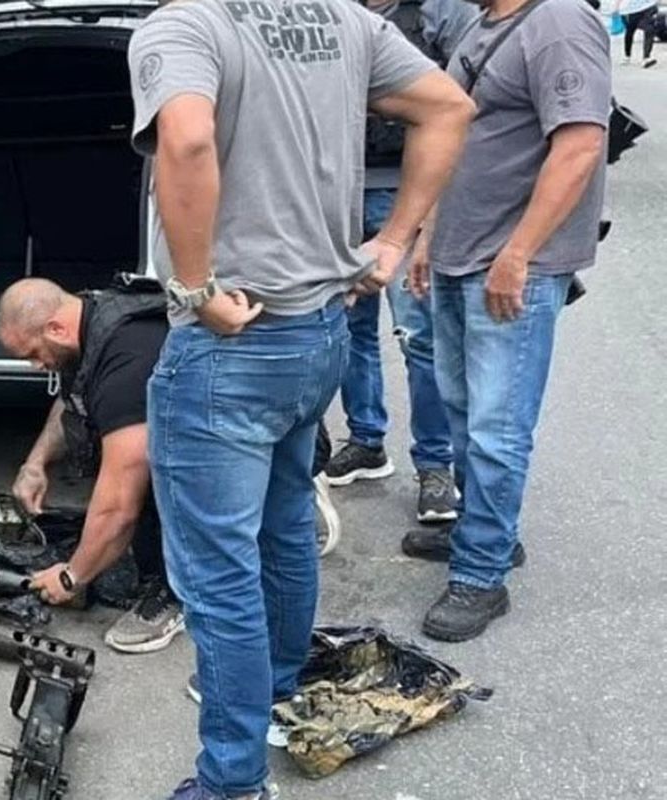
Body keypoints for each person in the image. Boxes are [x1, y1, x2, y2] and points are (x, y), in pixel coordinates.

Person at [128, 0, 474, 795]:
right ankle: (277, 685)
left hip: (233, 343)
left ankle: (232, 780)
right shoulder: (343, 19)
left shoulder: (183, 26)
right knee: (283, 523)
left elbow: (187, 139)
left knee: (217, 576)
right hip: (318, 331)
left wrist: (195, 287)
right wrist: (394, 240)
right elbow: (449, 106)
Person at [403, 0, 611, 643]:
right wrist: (427, 234)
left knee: (497, 428)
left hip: (511, 264)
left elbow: (579, 145)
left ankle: (482, 572)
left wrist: (519, 254)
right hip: (460, 253)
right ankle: (485, 531)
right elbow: (457, 140)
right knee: (463, 410)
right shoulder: (480, 23)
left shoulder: (560, 22)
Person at [324, 0, 477, 527]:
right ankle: (366, 440)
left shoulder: (438, 11)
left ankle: (435, 465)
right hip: (340, 190)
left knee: (419, 337)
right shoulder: (331, 13)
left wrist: (431, 218)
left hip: (406, 193)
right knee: (349, 329)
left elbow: (460, 109)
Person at [0, 277, 184, 654]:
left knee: (146, 485)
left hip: (227, 448)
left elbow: (119, 507)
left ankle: (175, 591)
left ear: (55, 329)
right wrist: (35, 463)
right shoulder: (88, 321)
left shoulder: (127, 365)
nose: (35, 365)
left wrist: (72, 577)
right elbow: (75, 397)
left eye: (33, 354)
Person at [619, 0, 658, 67]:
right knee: (630, 30)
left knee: (649, 29)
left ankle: (646, 58)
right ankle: (627, 55)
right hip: (634, 8)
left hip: (649, 5)